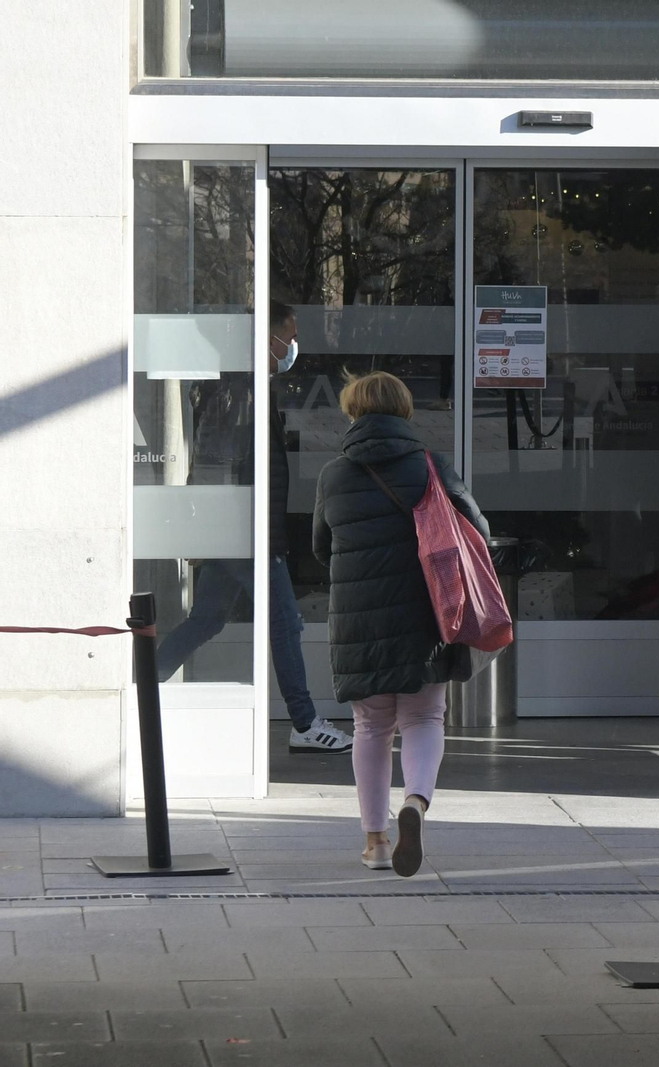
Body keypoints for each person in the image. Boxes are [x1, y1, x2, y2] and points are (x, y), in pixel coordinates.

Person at [155, 300, 353, 755]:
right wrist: (239, 531)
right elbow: (219, 466)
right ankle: (304, 721)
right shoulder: (241, 393)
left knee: (207, 619)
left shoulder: (244, 387)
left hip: (235, 528)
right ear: (269, 339)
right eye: (292, 334)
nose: (295, 345)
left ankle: (140, 682)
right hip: (244, 530)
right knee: (284, 621)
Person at [312, 371, 490, 875]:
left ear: (353, 413)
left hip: (359, 618)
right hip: (425, 614)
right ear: (405, 412)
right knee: (423, 718)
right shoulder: (433, 467)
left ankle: (375, 841)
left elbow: (320, 547)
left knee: (370, 726)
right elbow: (479, 529)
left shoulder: (334, 475)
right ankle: (415, 802)